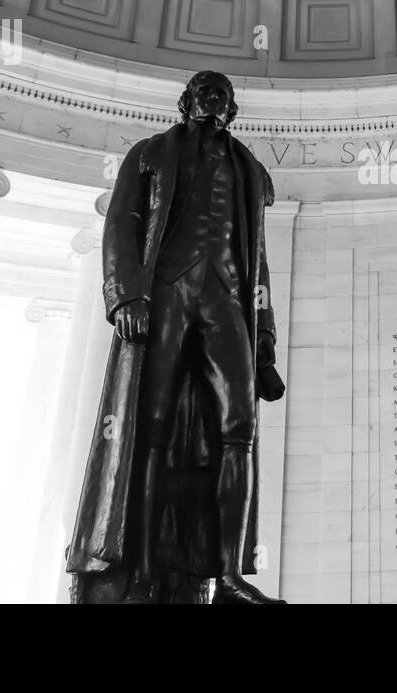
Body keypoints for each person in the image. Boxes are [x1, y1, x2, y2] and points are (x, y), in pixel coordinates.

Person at [66, 70, 285, 604]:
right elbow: (122, 222)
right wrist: (126, 295)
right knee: (151, 426)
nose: (214, 99)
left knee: (241, 427)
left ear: (233, 110)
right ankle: (140, 566)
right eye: (205, 91)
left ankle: (230, 573)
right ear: (185, 101)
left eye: (223, 95)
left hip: (227, 297)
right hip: (164, 293)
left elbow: (258, 260)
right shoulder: (149, 153)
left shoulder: (248, 169)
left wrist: (265, 342)